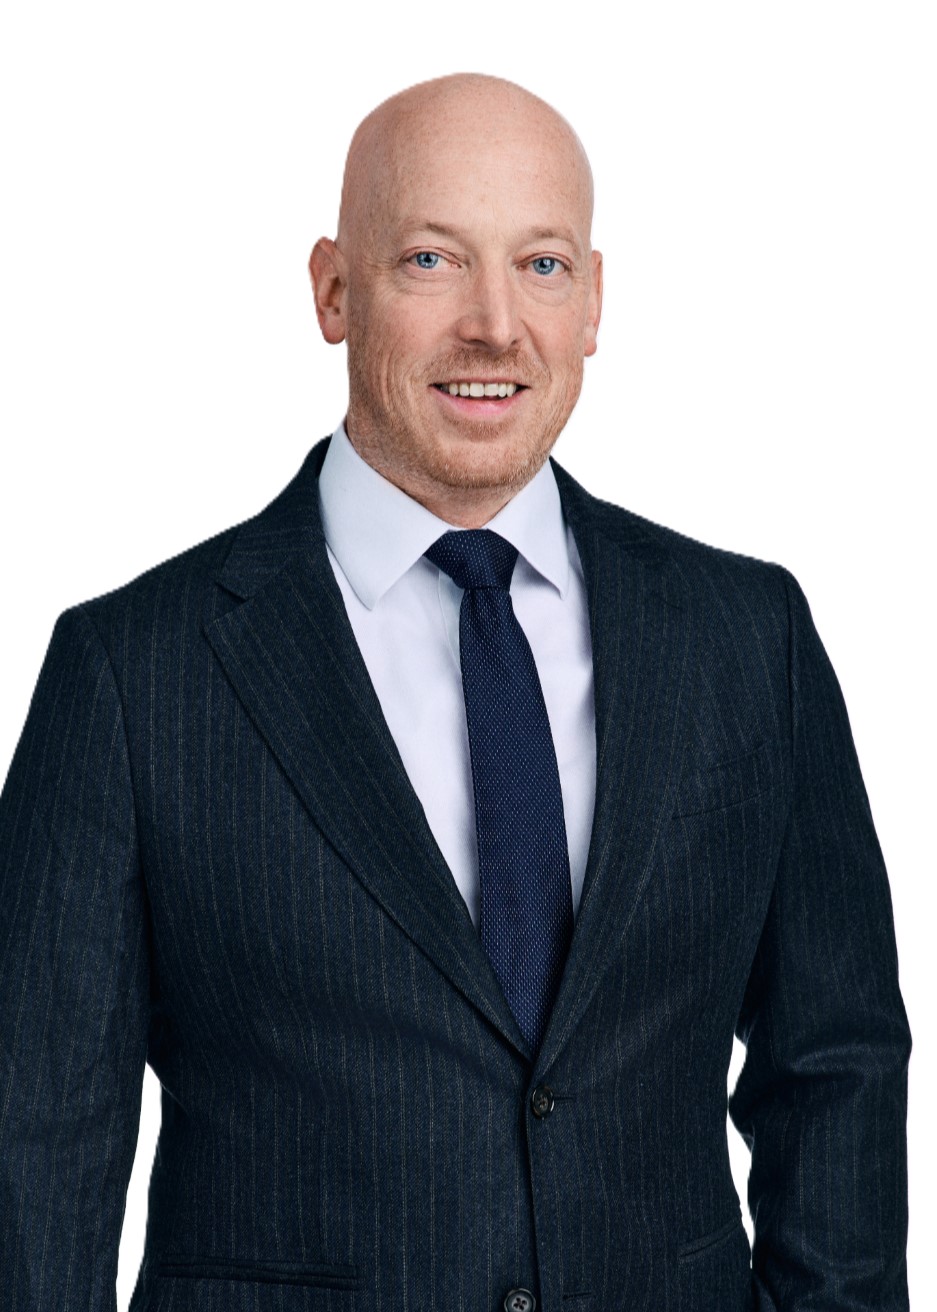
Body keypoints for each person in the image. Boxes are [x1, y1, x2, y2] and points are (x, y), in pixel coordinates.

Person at [0, 72, 910, 1312]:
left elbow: (835, 1057)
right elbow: (39, 1139)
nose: (494, 325)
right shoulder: (130, 673)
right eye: (430, 259)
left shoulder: (748, 639)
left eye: (541, 265)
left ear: (593, 301)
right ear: (333, 290)